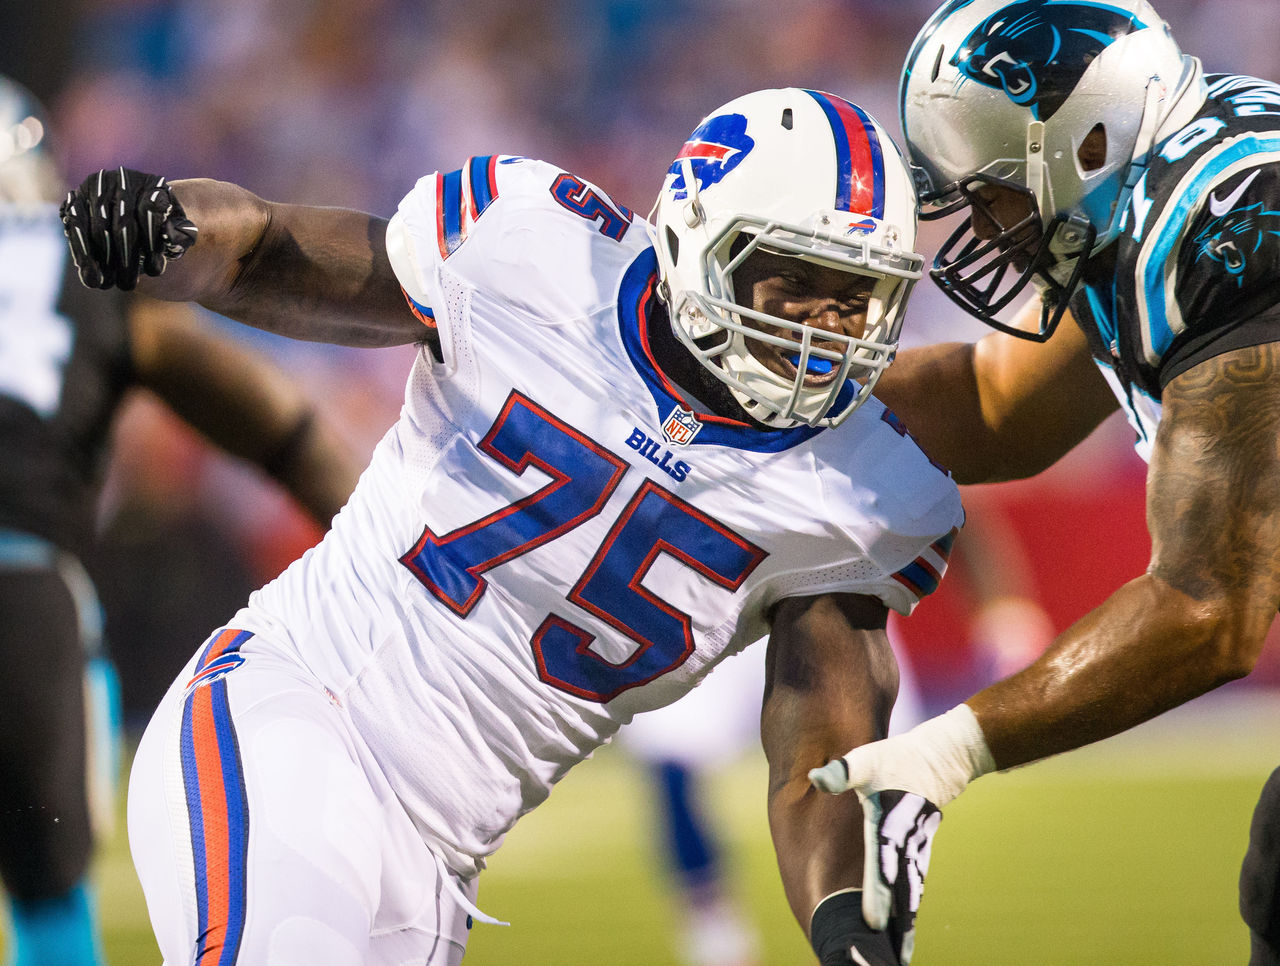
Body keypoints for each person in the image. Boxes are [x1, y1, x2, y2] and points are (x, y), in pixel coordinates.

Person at [59, 87, 964, 966]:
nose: (827, 324)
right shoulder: (534, 254)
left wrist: (853, 930)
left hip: (438, 866)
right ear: (699, 238)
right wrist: (166, 230)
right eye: (797, 278)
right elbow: (265, 249)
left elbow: (821, 758)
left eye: (858, 295)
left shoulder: (855, 491)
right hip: (296, 714)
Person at [805, 2, 1280, 963]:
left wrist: (951, 750)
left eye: (995, 191)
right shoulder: (1152, 187)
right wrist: (772, 383)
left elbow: (1209, 609)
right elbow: (994, 410)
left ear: (1090, 138)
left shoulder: (1239, 224)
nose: (980, 225)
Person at [0, 76, 360, 966]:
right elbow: (285, 430)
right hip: (19, 594)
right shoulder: (77, 274)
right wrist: (380, 567)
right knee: (49, 897)